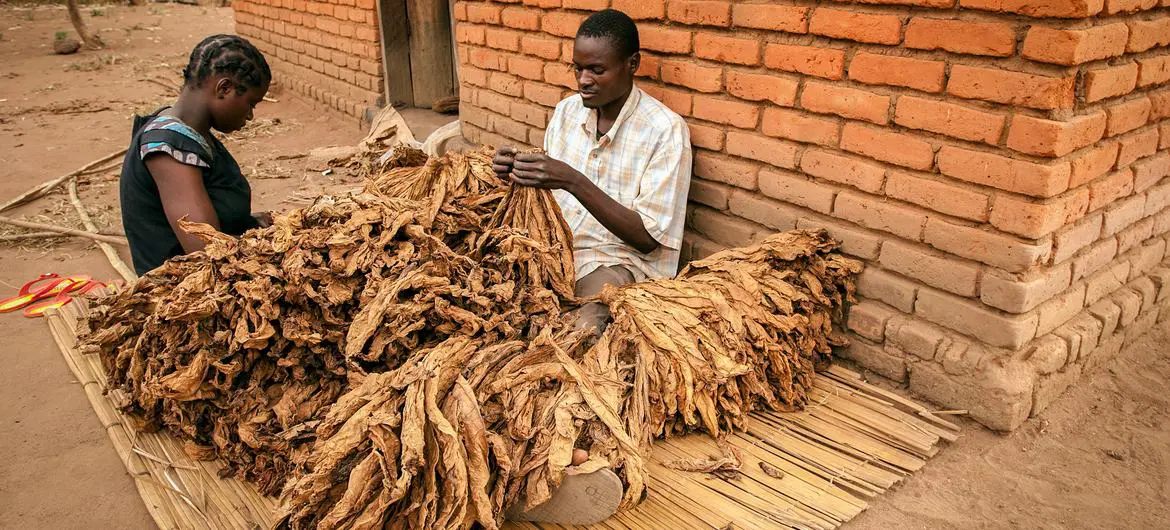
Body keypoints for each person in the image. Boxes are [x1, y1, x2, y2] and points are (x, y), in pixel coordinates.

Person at [493, 9, 692, 525]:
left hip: (619, 262)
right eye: (577, 68)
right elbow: (548, 196)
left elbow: (649, 239)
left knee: (585, 327)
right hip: (557, 249)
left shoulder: (665, 132)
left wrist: (572, 179)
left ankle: (565, 454)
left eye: (598, 70)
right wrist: (515, 174)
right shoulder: (566, 113)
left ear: (632, 65)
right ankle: (504, 438)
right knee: (492, 315)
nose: (584, 80)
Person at [119, 34, 273, 275]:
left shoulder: (189, 134)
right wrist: (271, 245)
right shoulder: (168, 148)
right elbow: (206, 250)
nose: (251, 116)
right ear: (224, 88)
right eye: (250, 103)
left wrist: (248, 224)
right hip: (185, 292)